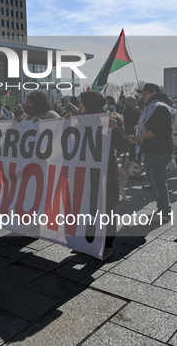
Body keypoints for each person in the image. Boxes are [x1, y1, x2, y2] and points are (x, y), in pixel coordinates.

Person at [76, 91, 129, 260]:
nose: (79, 105)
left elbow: (123, 145)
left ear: (90, 104)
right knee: (87, 207)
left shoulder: (109, 120)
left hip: (106, 174)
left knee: (106, 209)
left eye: (81, 102)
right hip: (86, 173)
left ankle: (107, 245)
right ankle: (88, 242)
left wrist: (115, 129)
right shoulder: (78, 120)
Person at [129, 83, 174, 220]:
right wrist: (140, 130)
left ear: (154, 93)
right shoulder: (153, 106)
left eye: (145, 94)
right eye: (142, 94)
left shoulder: (159, 107)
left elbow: (156, 130)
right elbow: (152, 126)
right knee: (153, 180)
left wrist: (138, 138)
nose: (143, 97)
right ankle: (162, 209)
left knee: (158, 181)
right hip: (152, 149)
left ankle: (165, 212)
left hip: (158, 150)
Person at [122, 96, 140, 163]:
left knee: (138, 150)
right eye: (131, 101)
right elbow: (128, 121)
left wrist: (138, 111)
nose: (133, 102)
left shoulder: (137, 109)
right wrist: (132, 112)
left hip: (137, 132)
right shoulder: (126, 110)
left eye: (134, 101)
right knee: (132, 150)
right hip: (130, 131)